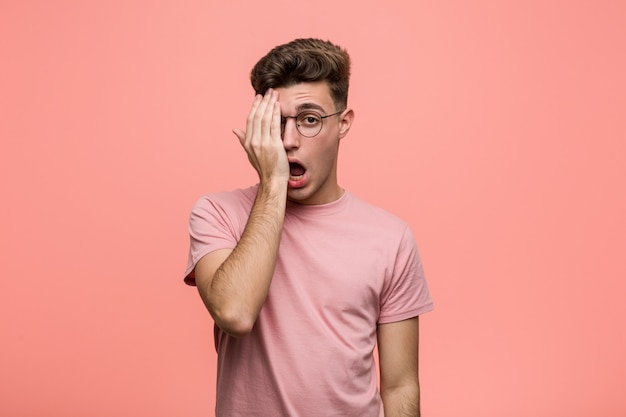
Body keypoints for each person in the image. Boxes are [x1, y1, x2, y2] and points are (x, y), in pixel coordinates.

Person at [184, 38, 433, 417]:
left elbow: (400, 385)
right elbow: (235, 313)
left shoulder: (391, 238)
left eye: (310, 119)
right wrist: (272, 184)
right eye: (275, 122)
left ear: (343, 124)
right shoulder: (218, 213)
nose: (288, 140)